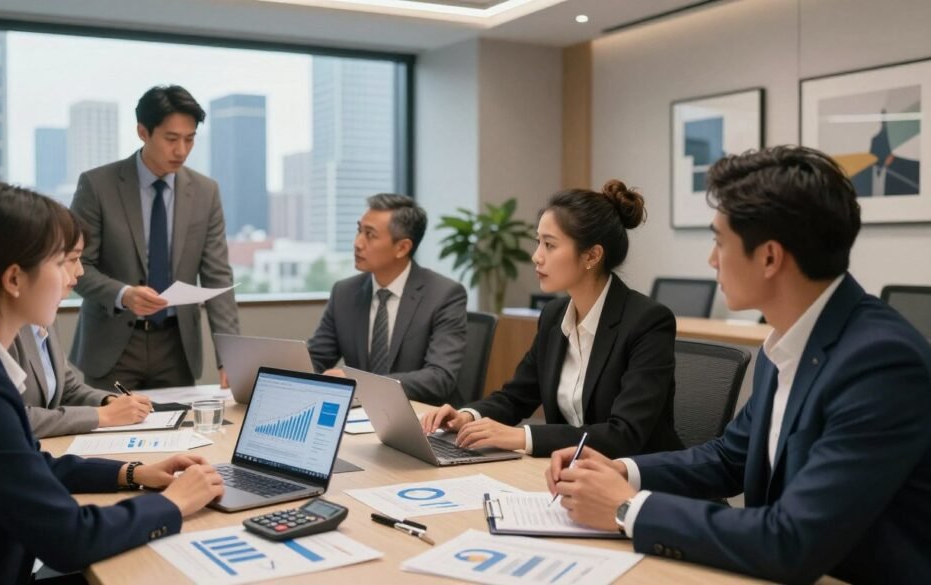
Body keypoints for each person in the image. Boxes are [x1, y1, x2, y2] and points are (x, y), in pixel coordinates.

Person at [545, 147, 931, 584]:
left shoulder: (879, 364)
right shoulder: (786, 342)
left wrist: (627, 508)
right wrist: (625, 471)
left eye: (719, 241)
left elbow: (792, 540)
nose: (712, 260)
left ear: (769, 257)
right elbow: (729, 458)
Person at [0, 183, 224, 584]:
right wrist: (174, 504)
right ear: (14, 279)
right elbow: (69, 537)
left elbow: (28, 466)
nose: (75, 276)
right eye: (63, 262)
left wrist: (131, 473)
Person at [421, 181, 683, 458]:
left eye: (550, 245)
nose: (536, 256)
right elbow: (517, 396)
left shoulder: (647, 322)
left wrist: (523, 436)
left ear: (592, 255)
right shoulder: (554, 316)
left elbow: (624, 434)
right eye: (538, 242)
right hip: (574, 474)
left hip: (643, 480)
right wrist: (468, 416)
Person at [70, 85, 239, 390]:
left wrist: (232, 355)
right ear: (143, 132)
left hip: (177, 346)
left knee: (183, 435)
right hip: (113, 344)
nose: (181, 151)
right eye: (171, 139)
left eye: (190, 139)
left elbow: (217, 277)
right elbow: (76, 267)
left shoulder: (205, 192)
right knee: (111, 434)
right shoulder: (97, 186)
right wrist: (124, 294)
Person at [307, 194, 468, 405]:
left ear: (402, 247)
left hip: (422, 419)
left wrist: (361, 383)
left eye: (370, 235)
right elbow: (316, 358)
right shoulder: (344, 292)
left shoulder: (444, 294)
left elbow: (439, 378)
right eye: (359, 230)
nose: (357, 243)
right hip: (359, 415)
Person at [14, 228, 154, 438]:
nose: (80, 271)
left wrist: (109, 402)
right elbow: (13, 419)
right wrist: (101, 416)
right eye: (69, 260)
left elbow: (67, 388)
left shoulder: (45, 312)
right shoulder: (6, 329)